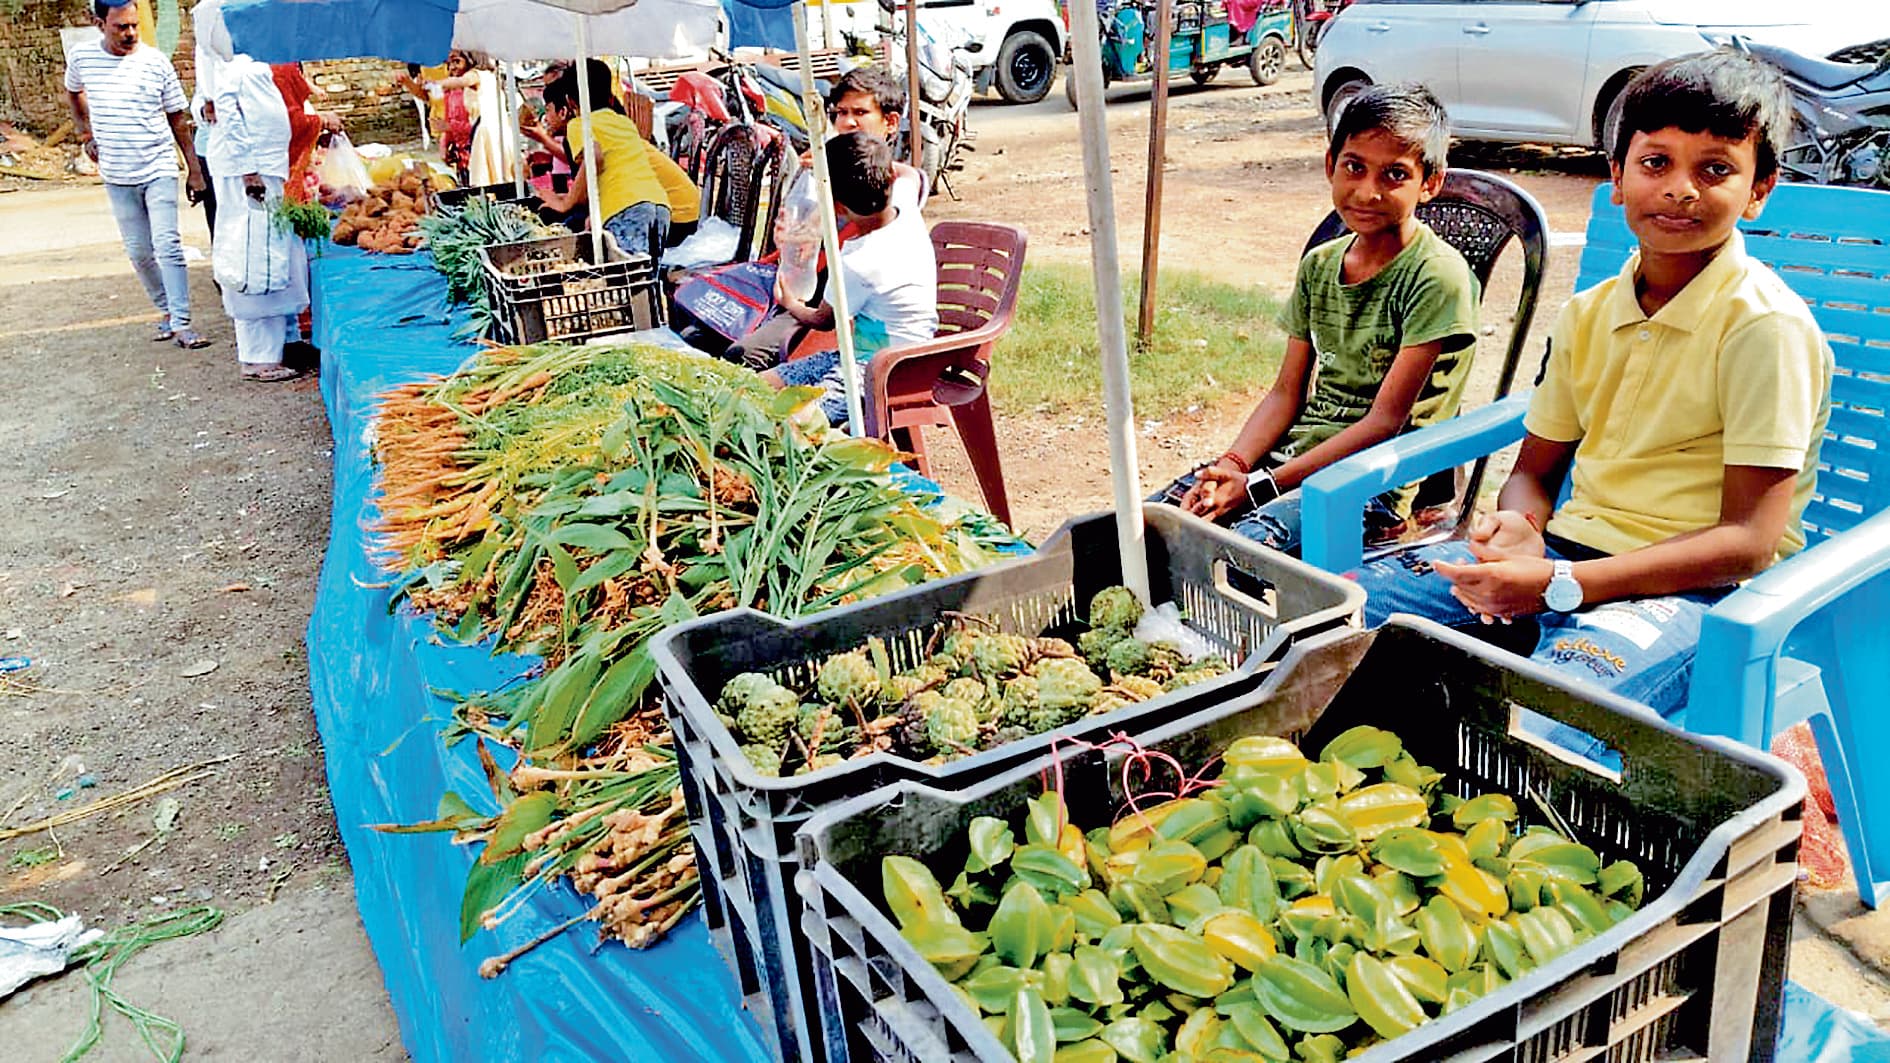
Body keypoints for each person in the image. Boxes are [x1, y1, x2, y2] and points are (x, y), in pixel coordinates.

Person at [1352, 50, 1832, 742]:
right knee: (1342, 617)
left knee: (1542, 724)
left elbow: (1749, 541)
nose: (1681, 189)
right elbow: (1535, 472)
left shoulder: (1764, 328)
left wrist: (1562, 584)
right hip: (1564, 555)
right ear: (1616, 175)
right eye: (1655, 162)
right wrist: (1518, 529)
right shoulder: (1590, 313)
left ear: (1760, 191)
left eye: (1716, 169)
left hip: (1697, 594)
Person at [1152, 83, 1478, 555]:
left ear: (1429, 183)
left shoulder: (1438, 277)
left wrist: (1259, 487)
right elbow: (1286, 393)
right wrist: (1232, 465)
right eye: (1354, 167)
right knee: (1156, 523)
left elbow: (1384, 422)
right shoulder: (1320, 265)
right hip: (1288, 462)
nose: (1367, 192)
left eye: (1394, 175)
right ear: (1330, 165)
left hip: (1373, 483)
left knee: (1237, 555)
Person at [720, 67, 930, 370]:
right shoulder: (822, 174)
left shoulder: (893, 190)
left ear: (890, 122)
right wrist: (791, 232)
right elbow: (795, 243)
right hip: (801, 286)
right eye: (840, 112)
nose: (847, 122)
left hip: (841, 313)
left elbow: (906, 177)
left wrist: (834, 175)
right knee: (708, 327)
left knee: (741, 354)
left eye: (860, 112)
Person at [761, 132, 937, 426]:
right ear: (889, 179)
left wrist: (790, 302)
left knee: (793, 423)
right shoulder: (905, 207)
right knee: (761, 385)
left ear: (837, 207)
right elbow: (908, 173)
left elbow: (823, 320)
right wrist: (867, 165)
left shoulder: (859, 263)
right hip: (854, 357)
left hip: (883, 369)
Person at [65, 0, 211, 349]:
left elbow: (178, 117)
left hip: (157, 166)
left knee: (169, 246)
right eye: (121, 27)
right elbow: (73, 92)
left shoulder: (155, 62)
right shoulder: (83, 59)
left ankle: (182, 323)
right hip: (116, 173)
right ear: (99, 23)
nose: (130, 33)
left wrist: (194, 170)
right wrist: (86, 134)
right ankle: (165, 311)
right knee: (139, 252)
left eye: (134, 26)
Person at [206, 51, 308, 382]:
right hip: (252, 172)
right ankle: (261, 358)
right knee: (257, 260)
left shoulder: (250, 59)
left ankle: (276, 348)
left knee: (273, 255)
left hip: (263, 168)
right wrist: (248, 170)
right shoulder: (232, 61)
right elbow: (223, 106)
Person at [535, 62, 671, 260]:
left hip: (624, 209)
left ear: (570, 101)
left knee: (629, 281)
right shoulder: (624, 122)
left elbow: (595, 156)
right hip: (659, 204)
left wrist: (565, 203)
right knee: (647, 280)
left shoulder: (579, 125)